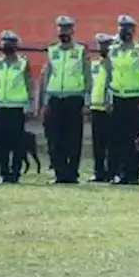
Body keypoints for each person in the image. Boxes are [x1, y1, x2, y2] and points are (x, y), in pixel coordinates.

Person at [40, 15, 91, 184]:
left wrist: (87, 101)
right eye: (61, 29)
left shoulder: (80, 50)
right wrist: (45, 101)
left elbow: (87, 76)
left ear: (72, 31)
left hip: (74, 99)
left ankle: (72, 173)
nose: (63, 32)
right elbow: (47, 77)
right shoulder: (52, 50)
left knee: (73, 138)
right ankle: (59, 173)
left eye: (67, 29)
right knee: (55, 138)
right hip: (55, 99)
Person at [108, 15, 139, 185]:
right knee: (117, 139)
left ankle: (132, 174)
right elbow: (109, 77)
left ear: (133, 31)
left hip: (134, 99)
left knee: (133, 139)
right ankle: (119, 173)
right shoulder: (113, 50)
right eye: (122, 27)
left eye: (128, 28)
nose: (124, 31)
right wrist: (108, 99)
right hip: (118, 97)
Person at [0, 30, 36, 184]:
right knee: (1, 143)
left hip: (17, 108)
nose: (6, 45)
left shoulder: (23, 62)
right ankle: (4, 172)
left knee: (17, 142)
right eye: (4, 42)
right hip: (1, 107)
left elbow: (29, 83)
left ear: (16, 45)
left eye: (10, 43)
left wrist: (30, 105)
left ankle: (15, 173)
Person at [87, 34, 114, 183]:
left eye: (105, 45)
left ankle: (110, 172)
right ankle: (98, 172)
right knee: (97, 144)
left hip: (109, 108)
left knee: (111, 143)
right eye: (100, 45)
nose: (102, 48)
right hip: (96, 107)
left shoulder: (115, 64)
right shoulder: (94, 64)